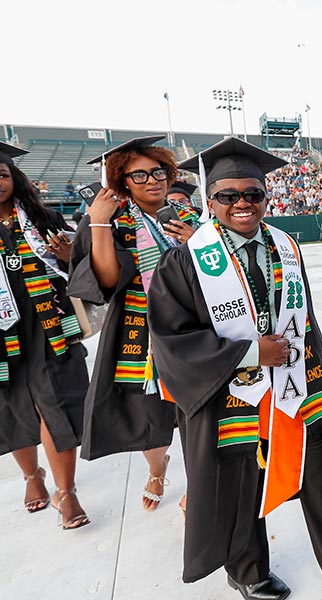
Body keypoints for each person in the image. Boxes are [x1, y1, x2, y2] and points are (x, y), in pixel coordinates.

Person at [147, 137, 322, 600]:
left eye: (253, 194)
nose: (242, 204)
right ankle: (249, 573)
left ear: (266, 196)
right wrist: (251, 354)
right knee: (240, 490)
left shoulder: (286, 246)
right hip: (232, 399)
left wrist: (321, 382)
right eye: (228, 196)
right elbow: (171, 342)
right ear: (209, 200)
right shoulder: (187, 260)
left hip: (299, 390)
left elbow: (306, 323)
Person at [68, 136, 199, 512]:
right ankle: (158, 469)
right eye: (138, 175)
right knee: (150, 416)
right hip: (138, 332)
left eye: (157, 171)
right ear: (122, 181)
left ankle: (197, 484)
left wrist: (198, 243)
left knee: (196, 412)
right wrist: (98, 222)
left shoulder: (187, 219)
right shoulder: (113, 220)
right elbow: (106, 280)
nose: (151, 180)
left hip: (191, 329)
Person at [0, 141, 90, 529]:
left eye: (2, 175)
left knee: (57, 405)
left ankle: (65, 492)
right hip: (2, 334)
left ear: (13, 178)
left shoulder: (43, 219)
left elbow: (81, 267)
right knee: (12, 406)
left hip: (47, 326)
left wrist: (70, 254)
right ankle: (32, 476)